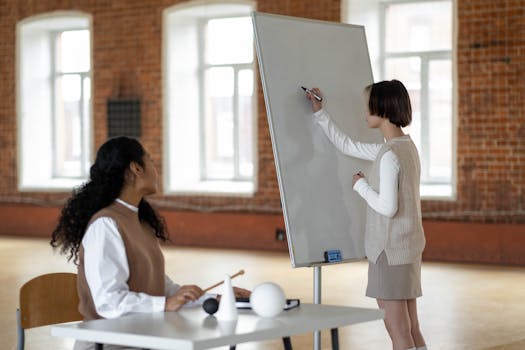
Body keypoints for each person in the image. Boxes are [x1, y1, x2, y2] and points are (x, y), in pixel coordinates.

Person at [50, 136, 249, 350]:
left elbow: (160, 288)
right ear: (136, 168)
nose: (156, 169)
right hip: (109, 345)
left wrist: (214, 298)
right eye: (151, 161)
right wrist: (164, 304)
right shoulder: (106, 225)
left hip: (144, 339)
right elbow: (108, 301)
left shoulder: (140, 222)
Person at [305, 80, 427, 350]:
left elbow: (387, 207)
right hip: (407, 249)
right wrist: (320, 112)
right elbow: (348, 145)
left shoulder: (389, 155)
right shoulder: (404, 148)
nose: (364, 113)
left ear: (382, 109)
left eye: (368, 107)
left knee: (398, 331)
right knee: (411, 328)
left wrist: (360, 185)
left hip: (389, 251)